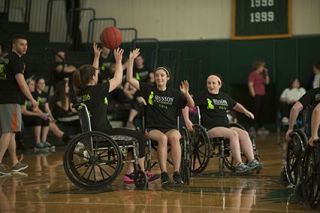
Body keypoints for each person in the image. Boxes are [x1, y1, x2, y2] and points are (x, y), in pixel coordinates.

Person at [73, 43, 157, 184]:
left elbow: (93, 73)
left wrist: (96, 57)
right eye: (95, 75)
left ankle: (130, 174)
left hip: (93, 134)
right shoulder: (96, 91)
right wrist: (118, 61)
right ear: (92, 78)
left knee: (131, 138)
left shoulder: (81, 93)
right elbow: (118, 79)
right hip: (104, 133)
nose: (97, 75)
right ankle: (142, 172)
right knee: (139, 137)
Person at [127, 49, 194, 186]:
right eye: (157, 75)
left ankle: (176, 172)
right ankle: (164, 173)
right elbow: (129, 79)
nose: (159, 78)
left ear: (167, 78)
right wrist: (131, 60)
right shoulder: (148, 89)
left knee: (175, 137)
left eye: (162, 75)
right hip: (153, 128)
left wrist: (186, 94)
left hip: (170, 127)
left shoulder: (175, 93)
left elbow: (191, 105)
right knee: (162, 138)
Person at [183, 74, 262, 174]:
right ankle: (238, 164)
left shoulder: (224, 96)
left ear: (219, 84)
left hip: (225, 127)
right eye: (209, 83)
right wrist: (187, 120)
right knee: (233, 134)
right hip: (210, 129)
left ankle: (252, 161)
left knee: (244, 133)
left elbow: (235, 105)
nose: (211, 85)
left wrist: (245, 111)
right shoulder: (202, 96)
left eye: (213, 83)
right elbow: (187, 105)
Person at [0, 34, 38, 175]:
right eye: (22, 44)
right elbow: (22, 83)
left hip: (2, 99)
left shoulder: (3, 59)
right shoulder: (16, 60)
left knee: (11, 132)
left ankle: (15, 162)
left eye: (26, 44)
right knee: (8, 131)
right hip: (10, 100)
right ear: (14, 45)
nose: (25, 47)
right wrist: (32, 100)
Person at [248, 60, 270, 135]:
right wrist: (253, 94)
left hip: (263, 95)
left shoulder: (262, 74)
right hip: (256, 95)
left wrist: (266, 73)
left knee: (262, 111)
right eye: (262, 67)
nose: (263, 68)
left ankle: (262, 127)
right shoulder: (253, 74)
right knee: (255, 111)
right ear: (258, 67)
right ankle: (252, 126)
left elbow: (267, 82)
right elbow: (250, 84)